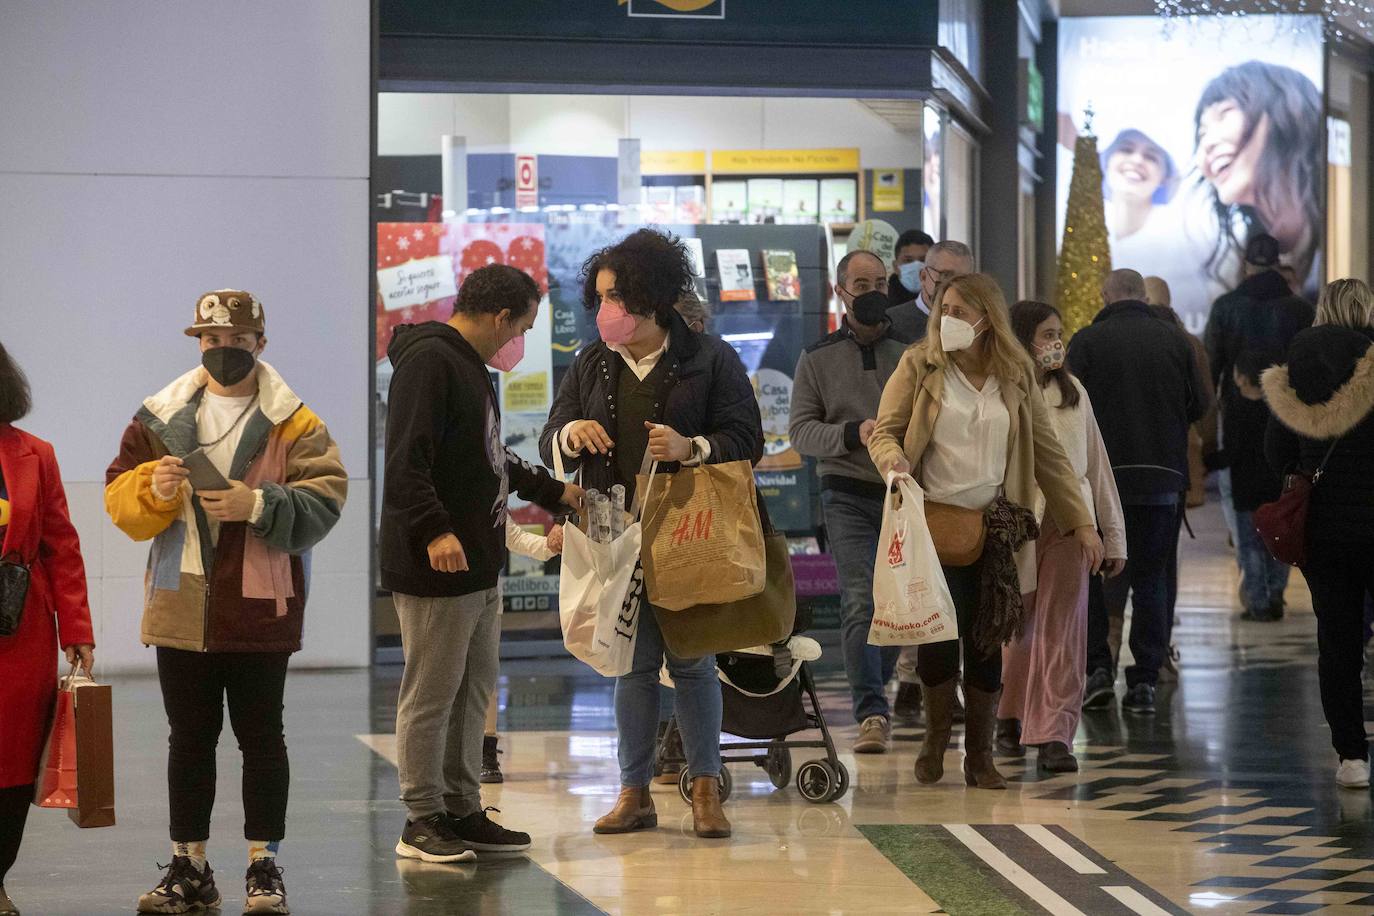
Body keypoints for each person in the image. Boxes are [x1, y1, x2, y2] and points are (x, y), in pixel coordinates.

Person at [105, 291, 347, 915]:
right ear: (198, 343)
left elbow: (327, 498)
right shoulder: (159, 415)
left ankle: (264, 866)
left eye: (237, 340)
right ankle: (189, 866)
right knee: (188, 739)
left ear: (260, 343)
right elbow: (118, 498)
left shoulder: (295, 420)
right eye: (212, 340)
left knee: (262, 737)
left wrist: (258, 504)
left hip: (260, 603)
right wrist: (152, 487)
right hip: (180, 604)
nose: (223, 350)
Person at [540, 228, 763, 839]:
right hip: (613, 533)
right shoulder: (591, 361)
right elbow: (551, 434)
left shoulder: (710, 357)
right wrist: (571, 434)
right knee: (631, 667)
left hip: (689, 530)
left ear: (655, 298)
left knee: (692, 662)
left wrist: (693, 447)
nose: (605, 309)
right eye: (601, 297)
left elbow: (748, 439)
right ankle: (633, 792)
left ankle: (705, 788)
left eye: (617, 296)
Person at [868, 273, 1102, 790]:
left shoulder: (1015, 376)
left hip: (996, 527)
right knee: (937, 635)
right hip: (932, 523)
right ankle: (934, 740)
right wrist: (893, 462)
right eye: (944, 309)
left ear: (987, 318)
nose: (948, 318)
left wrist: (1083, 523)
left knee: (987, 637)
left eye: (960, 311)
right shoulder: (920, 365)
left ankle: (979, 756)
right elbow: (884, 432)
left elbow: (1049, 457)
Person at [381, 265, 581, 864]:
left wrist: (553, 492)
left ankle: (462, 807)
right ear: (501, 317)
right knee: (431, 694)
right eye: (522, 327)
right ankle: (421, 817)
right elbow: (406, 462)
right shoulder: (429, 362)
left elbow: (491, 457)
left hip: (478, 563)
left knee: (471, 692)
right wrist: (436, 529)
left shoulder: (469, 367)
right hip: (436, 565)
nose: (519, 340)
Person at [1069, 270, 1209, 716]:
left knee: (1095, 576)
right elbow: (1201, 404)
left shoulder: (1087, 341)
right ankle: (1146, 678)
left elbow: (1068, 406)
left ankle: (1097, 670)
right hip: (1162, 481)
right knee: (1152, 580)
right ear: (1143, 297)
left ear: (1105, 296)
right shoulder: (1175, 341)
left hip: (1102, 482)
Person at [790, 249, 912, 752]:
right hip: (845, 494)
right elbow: (800, 432)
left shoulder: (911, 353)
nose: (873, 293)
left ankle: (877, 689)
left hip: (903, 496)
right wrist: (850, 433)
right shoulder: (817, 357)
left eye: (880, 283)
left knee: (899, 604)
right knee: (861, 598)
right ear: (840, 292)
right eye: (862, 285)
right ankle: (872, 713)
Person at [997, 302, 1126, 774]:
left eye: (1058, 333)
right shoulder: (1001, 391)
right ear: (1021, 339)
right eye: (1046, 334)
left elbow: (1097, 465)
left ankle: (1054, 732)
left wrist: (1113, 533)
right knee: (1016, 626)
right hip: (1018, 521)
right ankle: (1008, 715)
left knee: (1064, 629)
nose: (1056, 343)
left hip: (1072, 523)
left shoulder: (1074, 393)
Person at [1263, 278, 1374, 789]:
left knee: (1337, 640)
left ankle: (1351, 757)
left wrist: (1304, 471)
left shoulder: (1296, 367)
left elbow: (1276, 449)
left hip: (1323, 528)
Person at [0, 343, 94, 916]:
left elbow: (61, 546)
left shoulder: (36, 454)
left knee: (12, 766)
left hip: (19, 631)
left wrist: (77, 628)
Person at [1204, 234, 1314, 551]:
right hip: (1286, 411)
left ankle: (1249, 563)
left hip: (1237, 408)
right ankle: (1275, 557)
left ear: (1245, 264)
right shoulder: (1300, 309)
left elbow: (1212, 366)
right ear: (1278, 264)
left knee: (1237, 489)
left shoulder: (1225, 307)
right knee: (1280, 482)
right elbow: (1307, 366)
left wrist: (1206, 416)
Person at [1193, 62, 1323, 294]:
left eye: (1224, 114)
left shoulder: (1340, 235)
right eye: (1202, 133)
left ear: (1286, 111)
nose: (1207, 144)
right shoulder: (1232, 267)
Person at [480, 521, 565, 785]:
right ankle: (444, 755)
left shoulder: (490, 499)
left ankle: (486, 750)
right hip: (442, 595)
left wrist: (549, 545)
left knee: (484, 675)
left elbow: (513, 536)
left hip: (486, 596)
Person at [1207, 349, 1287, 621]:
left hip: (1245, 489)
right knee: (1277, 544)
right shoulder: (1276, 409)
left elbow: (1230, 453)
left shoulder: (1235, 410)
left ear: (1240, 377)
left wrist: (1205, 463)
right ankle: (1276, 595)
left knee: (1250, 546)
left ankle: (1258, 603)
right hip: (1275, 488)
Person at [885, 240, 975, 344]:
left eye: (963, 278)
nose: (954, 284)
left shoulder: (976, 322)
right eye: (946, 275)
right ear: (923, 276)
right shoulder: (891, 322)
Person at [1101, 129, 1177, 243]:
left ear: (1165, 178)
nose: (1137, 160)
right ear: (1107, 161)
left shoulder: (1177, 236)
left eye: (1151, 157)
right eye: (1126, 149)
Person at [888, 229, 934, 308]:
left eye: (923, 260)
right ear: (895, 267)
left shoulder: (947, 301)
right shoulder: (882, 303)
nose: (916, 266)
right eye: (908, 260)